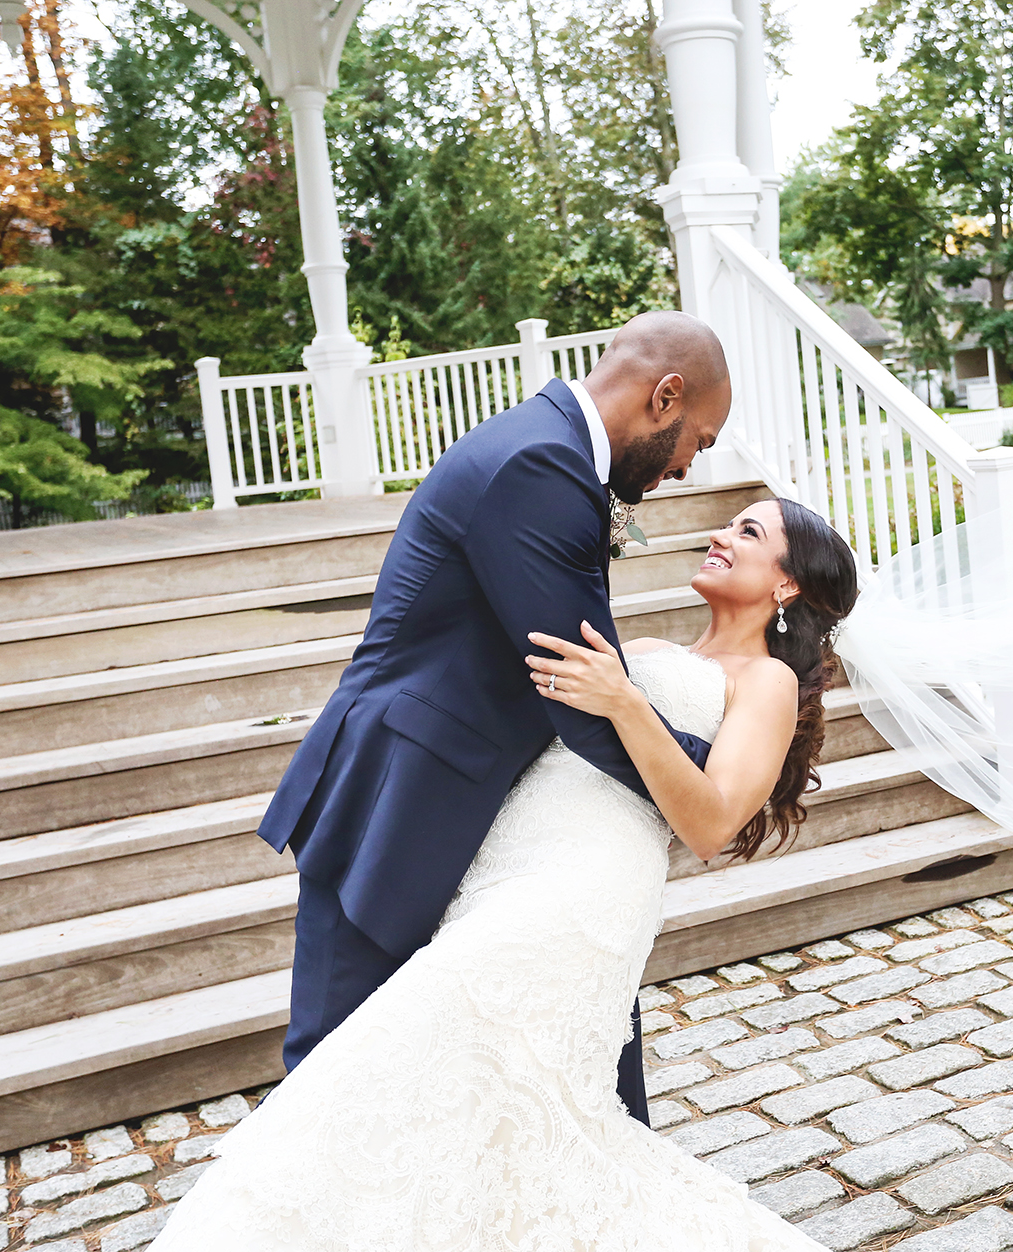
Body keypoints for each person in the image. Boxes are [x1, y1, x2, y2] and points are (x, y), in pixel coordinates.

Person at [138, 494, 860, 1252]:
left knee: (408, 1053)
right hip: (505, 863)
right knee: (489, 1109)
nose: (720, 533)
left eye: (748, 532)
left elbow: (713, 821)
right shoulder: (644, 646)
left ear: (787, 585)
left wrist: (623, 701)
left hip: (585, 888)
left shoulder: (767, 683)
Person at [256, 310, 731, 1123]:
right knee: (332, 1076)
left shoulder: (549, 450)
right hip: (396, 801)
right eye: (701, 439)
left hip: (470, 799)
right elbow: (581, 690)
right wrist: (710, 784)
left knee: (561, 1041)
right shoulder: (540, 466)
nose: (689, 467)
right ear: (665, 396)